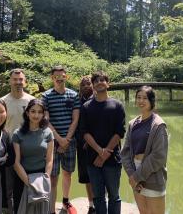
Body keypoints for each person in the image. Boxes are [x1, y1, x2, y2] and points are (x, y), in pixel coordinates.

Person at [80, 71, 126, 214]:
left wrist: (105, 153)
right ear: (93, 86)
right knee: (98, 197)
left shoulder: (117, 105)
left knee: (114, 196)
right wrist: (100, 152)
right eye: (96, 81)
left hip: (112, 158)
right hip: (93, 159)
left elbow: (120, 132)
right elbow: (84, 132)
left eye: (102, 80)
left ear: (108, 83)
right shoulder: (86, 107)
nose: (99, 82)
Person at [121, 86, 168, 214]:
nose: (141, 101)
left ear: (152, 101)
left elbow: (159, 156)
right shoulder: (133, 123)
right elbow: (125, 152)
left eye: (145, 98)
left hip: (152, 175)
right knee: (143, 212)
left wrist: (137, 176)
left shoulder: (159, 125)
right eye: (138, 98)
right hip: (135, 172)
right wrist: (132, 174)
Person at [41, 65, 80, 214]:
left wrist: (67, 139)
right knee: (53, 176)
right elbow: (46, 120)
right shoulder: (46, 96)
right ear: (52, 78)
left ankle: (65, 201)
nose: (59, 78)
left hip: (70, 141)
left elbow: (75, 119)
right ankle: (51, 209)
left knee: (68, 173)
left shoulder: (73, 95)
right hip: (52, 142)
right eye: (56, 76)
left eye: (62, 76)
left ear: (66, 77)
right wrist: (59, 139)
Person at [2, 68, 35, 213]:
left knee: (27, 183)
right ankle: (11, 211)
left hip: (27, 149)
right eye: (15, 80)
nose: (18, 82)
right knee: (8, 185)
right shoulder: (3, 102)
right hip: (8, 149)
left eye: (21, 79)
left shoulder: (31, 101)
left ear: (25, 82)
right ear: (10, 81)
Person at [12, 99, 54, 214]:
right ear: (27, 113)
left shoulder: (48, 132)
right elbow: (16, 163)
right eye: (33, 111)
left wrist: (46, 178)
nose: (36, 115)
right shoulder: (18, 133)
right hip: (23, 178)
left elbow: (50, 159)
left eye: (40, 112)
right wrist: (29, 183)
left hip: (41, 179)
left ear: (43, 114)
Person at [76, 76, 95, 214]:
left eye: (88, 84)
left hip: (97, 145)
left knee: (100, 175)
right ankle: (91, 205)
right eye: (83, 84)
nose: (86, 86)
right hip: (82, 145)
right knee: (87, 177)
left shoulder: (99, 99)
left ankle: (101, 202)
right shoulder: (77, 101)